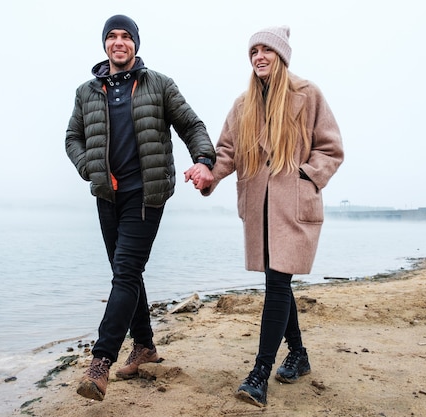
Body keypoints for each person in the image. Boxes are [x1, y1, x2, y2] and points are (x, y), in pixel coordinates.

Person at [186, 25, 343, 407]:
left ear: (282, 56)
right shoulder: (243, 105)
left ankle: (259, 374)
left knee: (276, 285)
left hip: (294, 206)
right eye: (253, 51)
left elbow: (331, 148)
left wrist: (304, 177)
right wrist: (210, 173)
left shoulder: (308, 95)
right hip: (259, 208)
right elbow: (226, 151)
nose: (259, 56)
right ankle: (300, 356)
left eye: (266, 50)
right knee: (279, 283)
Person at [65, 14, 215, 401]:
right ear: (104, 45)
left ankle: (101, 363)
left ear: (135, 44)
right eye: (112, 36)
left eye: (126, 36)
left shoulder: (159, 85)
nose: (119, 42)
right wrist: (88, 168)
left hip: (146, 195)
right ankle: (145, 346)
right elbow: (72, 137)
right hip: (107, 195)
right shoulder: (87, 92)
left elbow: (191, 124)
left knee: (126, 272)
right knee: (125, 272)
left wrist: (203, 159)